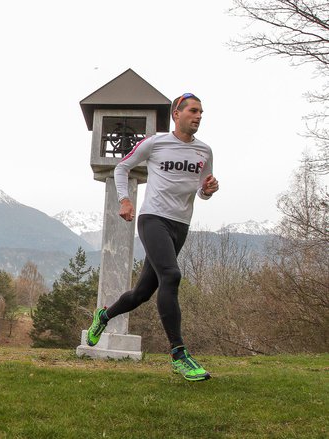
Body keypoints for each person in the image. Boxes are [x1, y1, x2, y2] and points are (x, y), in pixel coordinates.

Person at [86, 93, 219, 381]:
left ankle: (103, 317)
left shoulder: (204, 152)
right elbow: (122, 167)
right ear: (177, 114)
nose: (198, 116)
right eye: (193, 111)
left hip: (180, 225)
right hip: (153, 219)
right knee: (171, 276)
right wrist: (124, 199)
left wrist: (208, 189)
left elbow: (202, 191)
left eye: (201, 113)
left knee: (142, 293)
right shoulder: (155, 143)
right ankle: (178, 354)